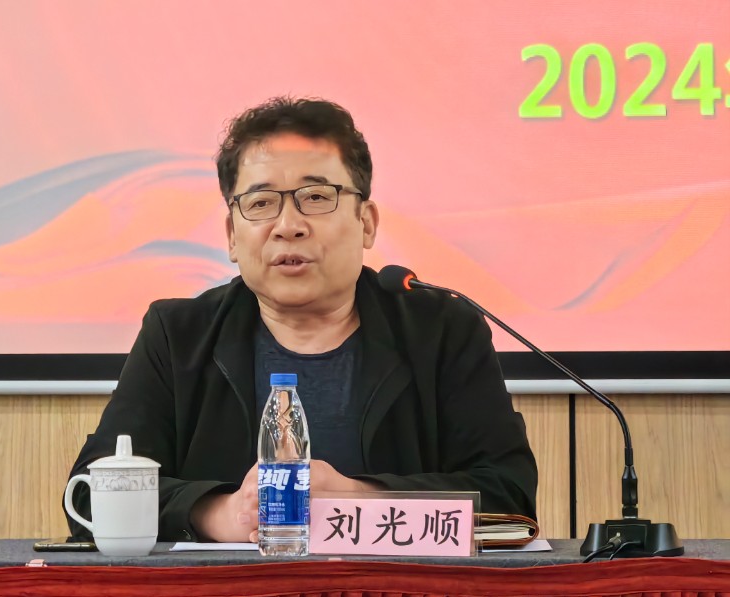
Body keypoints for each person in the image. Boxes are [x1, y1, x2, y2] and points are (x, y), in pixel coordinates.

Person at [66, 97, 538, 543]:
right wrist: (222, 513)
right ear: (232, 236)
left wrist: (358, 500)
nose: (288, 226)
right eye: (261, 203)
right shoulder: (178, 336)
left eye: (316, 197)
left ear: (367, 223)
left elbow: (509, 496)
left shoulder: (441, 330)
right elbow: (89, 495)